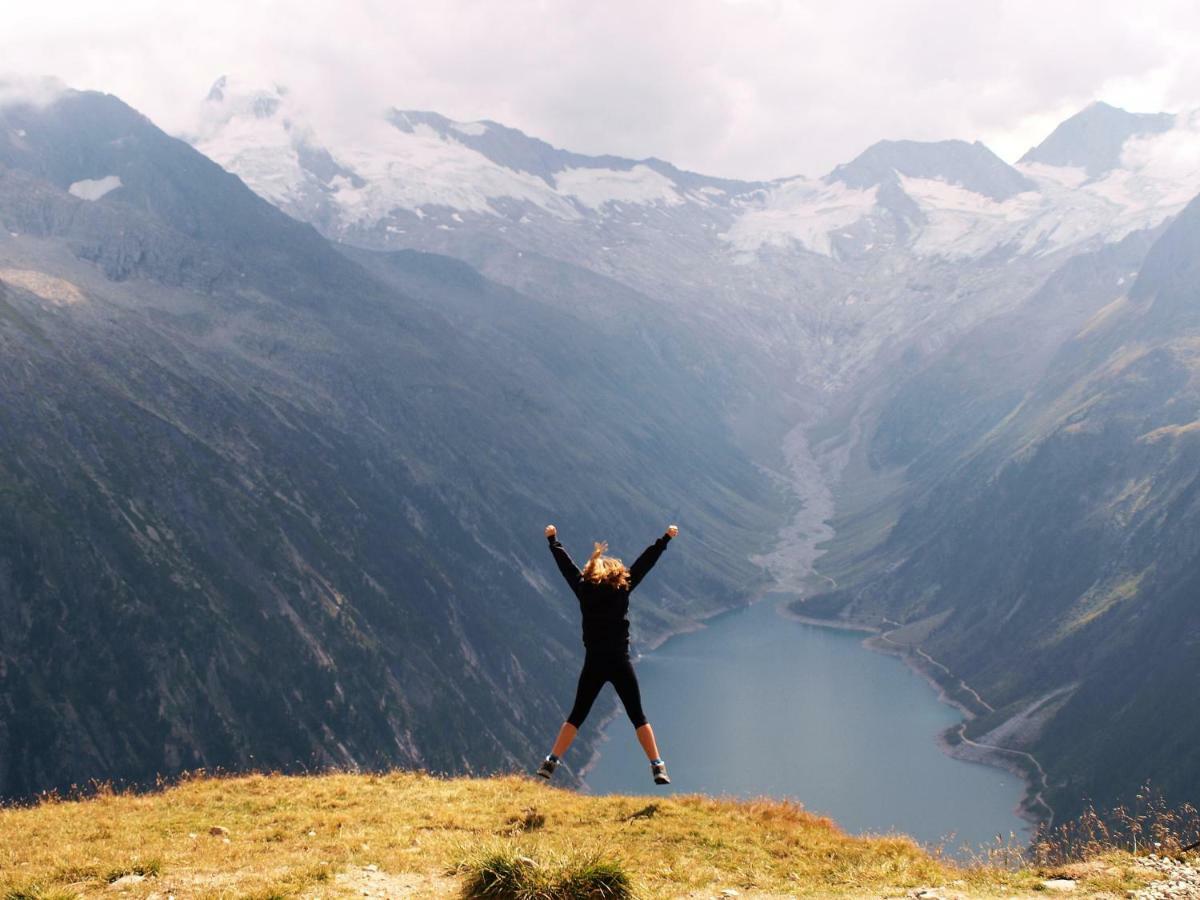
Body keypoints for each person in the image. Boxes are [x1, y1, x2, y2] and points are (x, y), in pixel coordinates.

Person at [536, 522, 678, 785]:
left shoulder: (583, 589)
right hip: (619, 662)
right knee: (638, 716)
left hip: (594, 663)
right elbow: (645, 563)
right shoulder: (622, 589)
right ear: (615, 573)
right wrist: (665, 539)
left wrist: (553, 540)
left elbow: (566, 568)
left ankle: (551, 760)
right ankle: (657, 765)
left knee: (576, 716)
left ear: (592, 571)